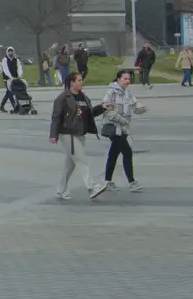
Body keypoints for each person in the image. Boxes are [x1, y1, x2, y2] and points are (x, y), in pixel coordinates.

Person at [49, 73, 104, 201]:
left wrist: (102, 108)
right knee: (81, 160)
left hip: (80, 133)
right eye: (79, 80)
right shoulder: (63, 98)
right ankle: (91, 187)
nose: (82, 82)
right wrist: (53, 134)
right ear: (72, 83)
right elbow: (56, 116)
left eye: (81, 80)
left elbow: (89, 113)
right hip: (68, 133)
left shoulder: (84, 97)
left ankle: (60, 190)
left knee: (70, 165)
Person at [101, 68, 147, 192]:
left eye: (129, 79)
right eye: (125, 78)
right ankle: (132, 182)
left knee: (114, 154)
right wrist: (122, 120)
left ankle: (107, 181)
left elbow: (135, 106)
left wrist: (141, 109)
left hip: (123, 129)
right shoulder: (111, 92)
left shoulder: (128, 93)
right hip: (114, 128)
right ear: (118, 79)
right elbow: (107, 111)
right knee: (127, 152)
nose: (127, 81)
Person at [0, 47, 25, 112]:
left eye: (11, 51)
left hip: (15, 78)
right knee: (10, 92)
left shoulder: (16, 60)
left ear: (13, 52)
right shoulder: (5, 59)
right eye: (9, 51)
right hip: (7, 79)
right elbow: (6, 69)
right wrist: (10, 77)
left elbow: (19, 68)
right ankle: (14, 105)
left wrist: (19, 75)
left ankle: (2, 106)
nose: (10, 53)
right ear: (7, 52)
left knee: (8, 92)